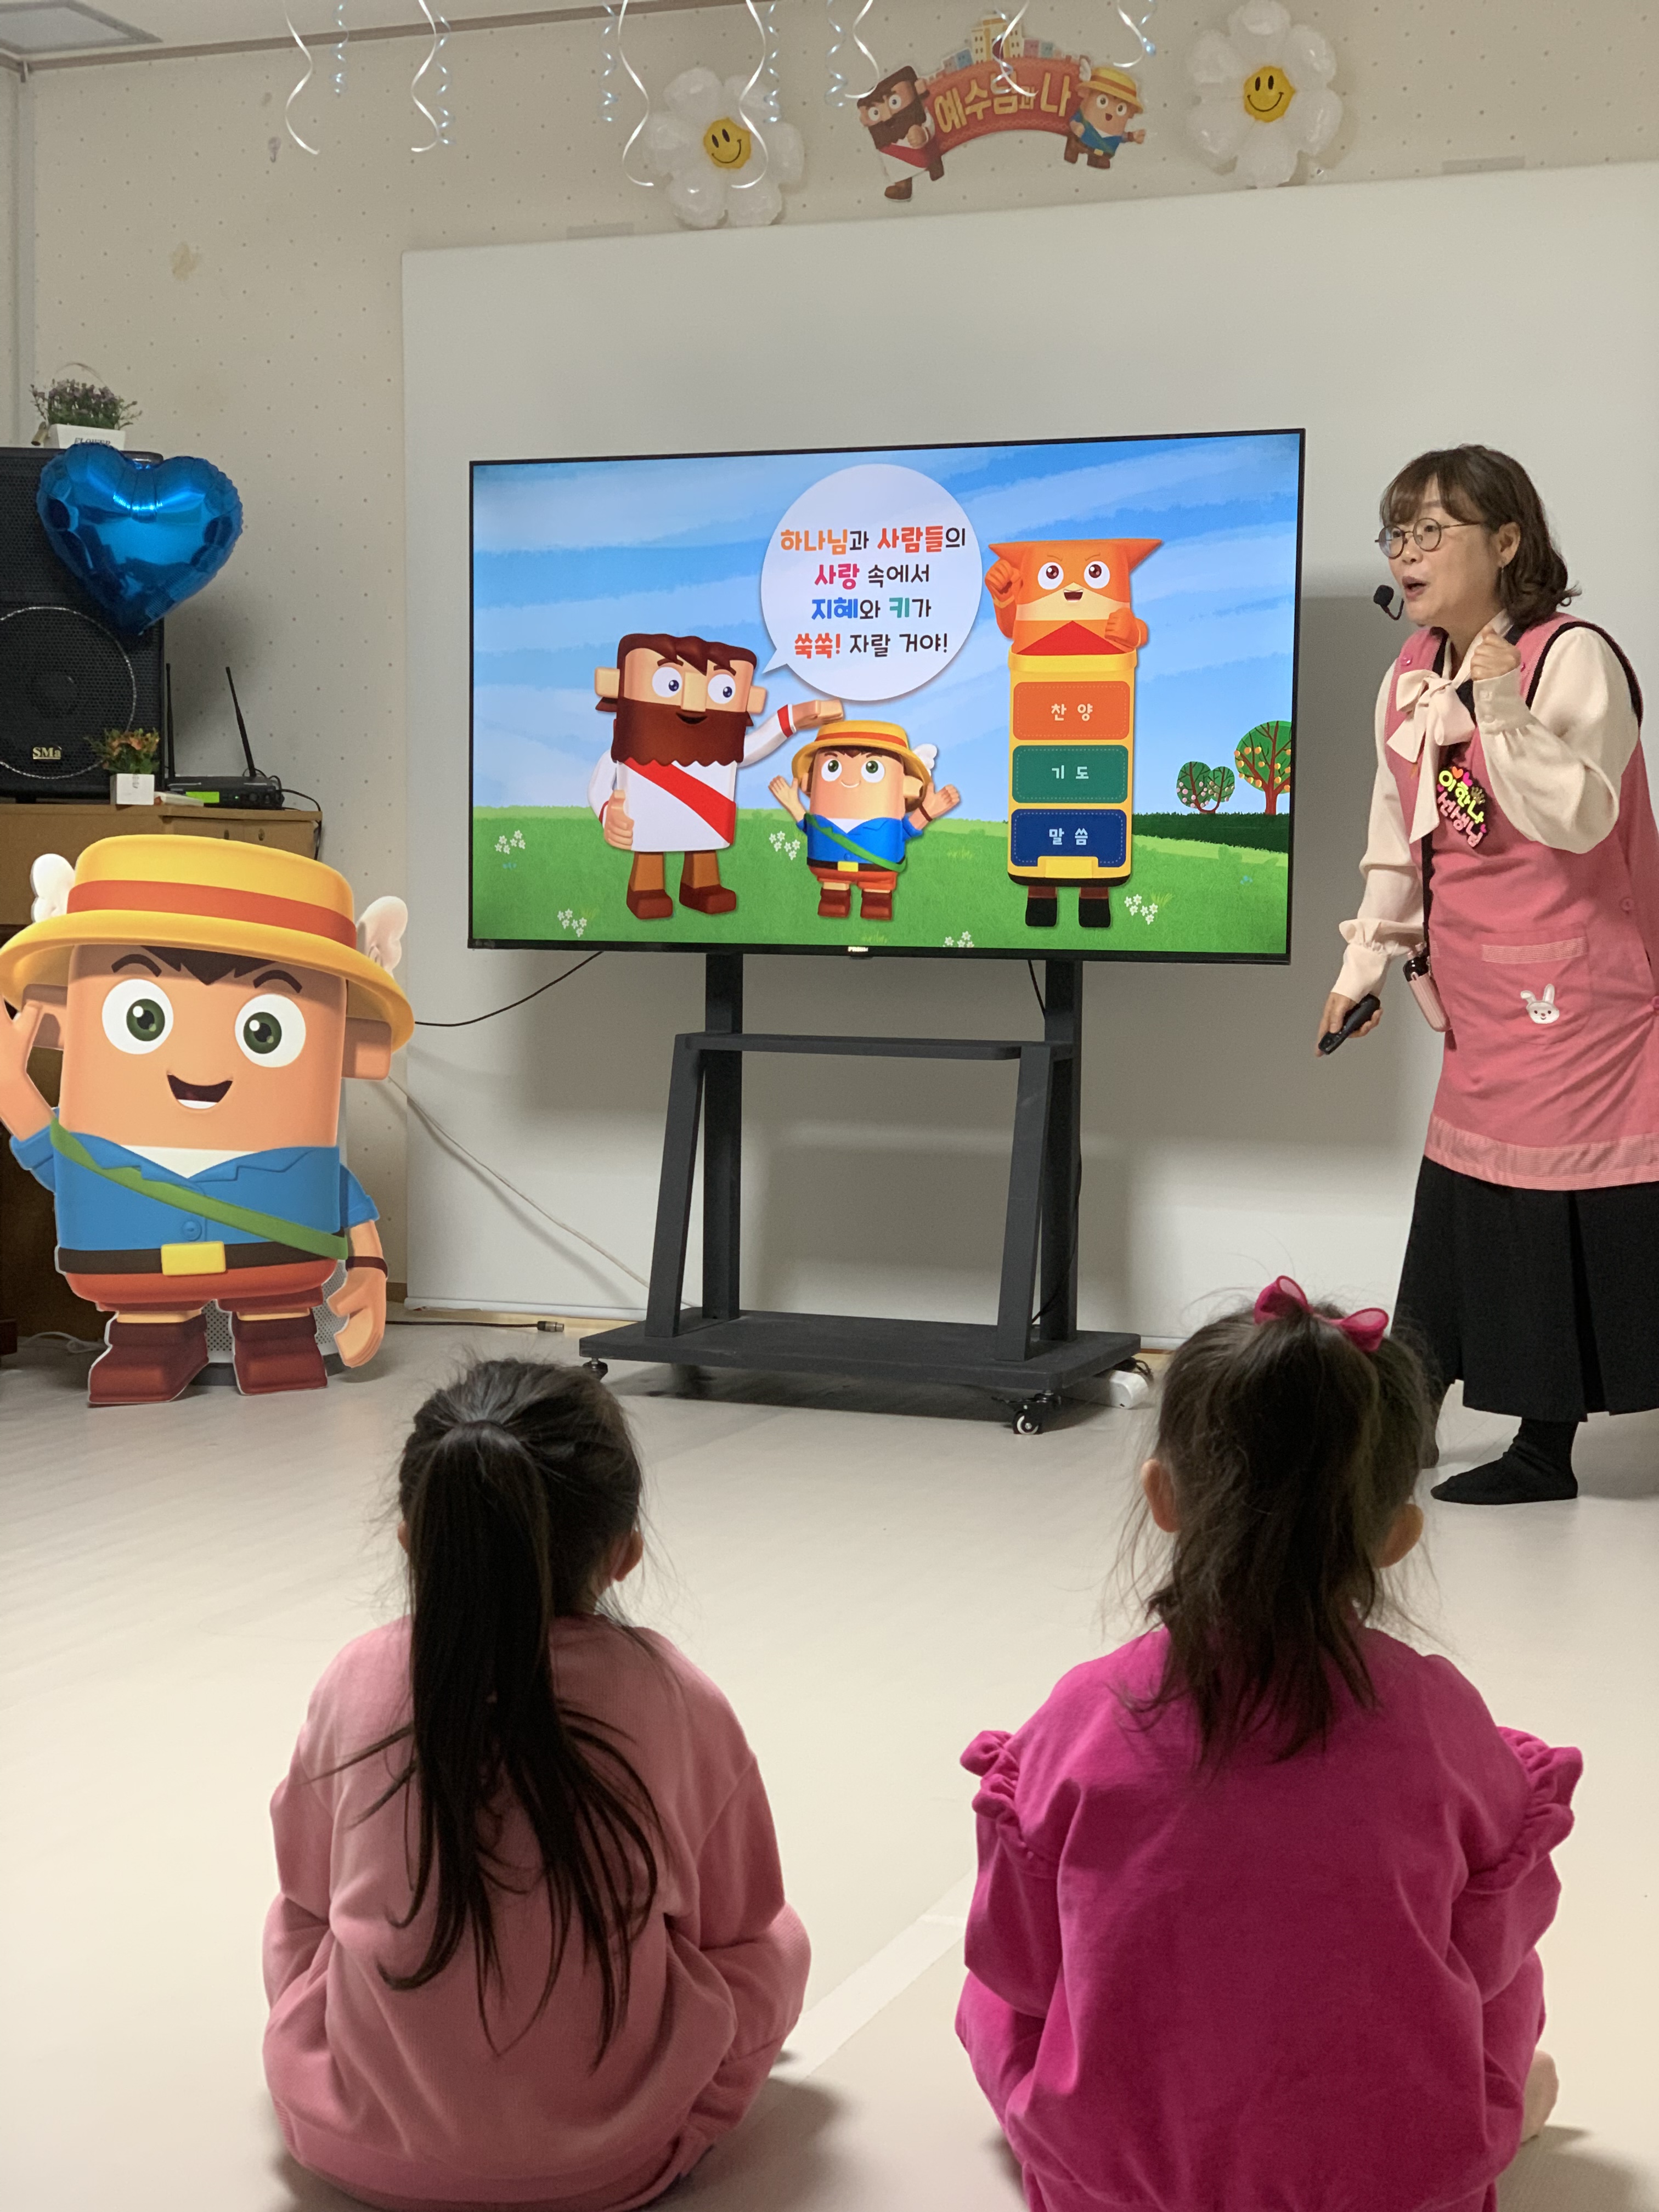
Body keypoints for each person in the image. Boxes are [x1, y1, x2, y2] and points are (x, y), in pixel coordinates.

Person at [957, 1281, 1579, 2212]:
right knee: (1507, 1992)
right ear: (1399, 1536)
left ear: (1162, 1497)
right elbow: (1494, 1949)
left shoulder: (1084, 1716)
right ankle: (1505, 2114)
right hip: (1390, 2187)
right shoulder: (1443, 1722)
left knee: (994, 2006)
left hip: (1126, 2185)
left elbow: (1019, 1964)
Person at [263, 1360, 809, 2211]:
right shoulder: (671, 1693)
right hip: (614, 2166)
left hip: (350, 2149)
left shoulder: (355, 1676)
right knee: (781, 1943)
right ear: (625, 1554)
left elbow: (308, 1891)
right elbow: (738, 1916)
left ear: (412, 1539)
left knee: (299, 1926)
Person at [1320, 446, 1652, 1505]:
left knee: (1552, 1204)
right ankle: (1404, 1420)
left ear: (1507, 542)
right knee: (1461, 1198)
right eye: (1397, 533)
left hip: (1584, 999)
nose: (1407, 554)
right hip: (1478, 996)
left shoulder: (1572, 658)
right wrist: (1363, 966)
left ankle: (1544, 1451)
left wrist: (1501, 707)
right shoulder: (1410, 674)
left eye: (1433, 531)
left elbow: (1582, 815)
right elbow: (1396, 839)